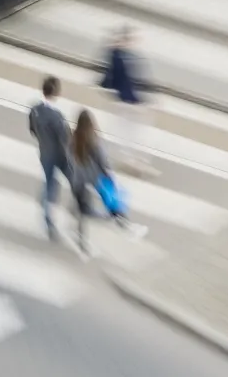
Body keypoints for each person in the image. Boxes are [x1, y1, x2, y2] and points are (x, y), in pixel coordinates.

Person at [71, 109, 146, 252]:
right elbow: (104, 165)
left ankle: (81, 239)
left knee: (82, 209)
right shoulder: (94, 141)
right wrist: (114, 180)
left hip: (79, 179)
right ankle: (126, 227)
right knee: (113, 202)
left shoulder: (73, 137)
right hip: (96, 179)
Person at [100, 26, 156, 176]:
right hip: (127, 101)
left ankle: (132, 159)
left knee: (127, 130)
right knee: (131, 131)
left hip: (127, 101)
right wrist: (138, 102)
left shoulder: (121, 55)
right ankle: (133, 161)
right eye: (127, 40)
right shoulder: (118, 57)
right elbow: (121, 81)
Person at [28, 76, 71, 241]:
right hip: (58, 155)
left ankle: (45, 201)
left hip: (44, 153)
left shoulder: (35, 110)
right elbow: (65, 139)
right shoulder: (57, 116)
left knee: (50, 182)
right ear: (57, 92)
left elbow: (32, 129)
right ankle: (48, 218)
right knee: (55, 185)